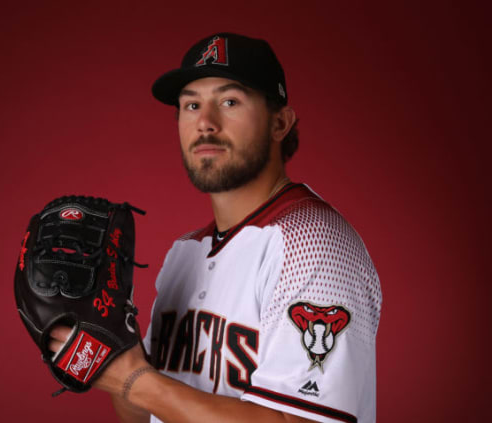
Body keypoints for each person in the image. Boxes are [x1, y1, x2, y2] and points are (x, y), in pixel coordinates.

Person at [49, 32, 382, 423]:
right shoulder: (185, 253)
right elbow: (143, 414)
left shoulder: (313, 243)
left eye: (229, 101)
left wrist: (134, 379)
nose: (205, 123)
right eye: (191, 104)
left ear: (280, 123)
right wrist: (115, 345)